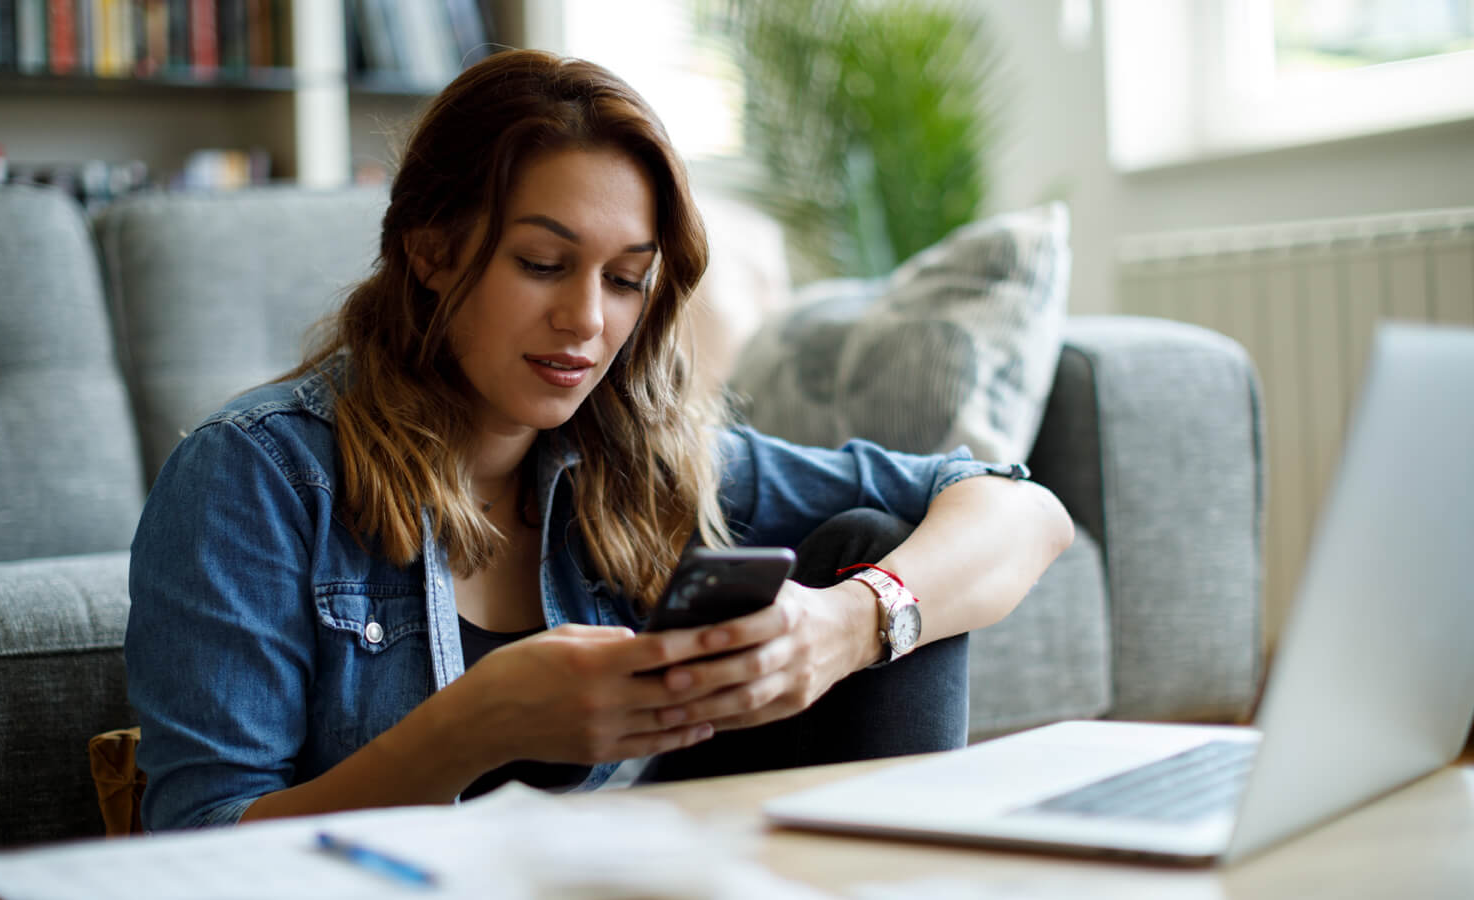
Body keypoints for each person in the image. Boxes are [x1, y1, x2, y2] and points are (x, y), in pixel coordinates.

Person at [125, 49, 1074, 831]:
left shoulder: (645, 460)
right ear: (430, 248)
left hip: (640, 876)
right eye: (543, 263)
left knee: (868, 545)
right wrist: (477, 726)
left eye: (626, 279)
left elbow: (1017, 505)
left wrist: (850, 623)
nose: (586, 319)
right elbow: (199, 851)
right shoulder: (258, 476)